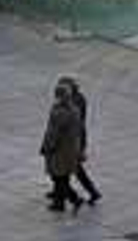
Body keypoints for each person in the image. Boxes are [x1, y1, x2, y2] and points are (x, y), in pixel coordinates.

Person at [40, 82, 85, 213]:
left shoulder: (59, 112)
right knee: (63, 177)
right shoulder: (75, 109)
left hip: (59, 150)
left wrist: (46, 147)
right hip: (70, 149)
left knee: (57, 177)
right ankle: (60, 202)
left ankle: (72, 199)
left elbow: (52, 133)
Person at [59, 77, 102, 204]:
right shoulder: (78, 98)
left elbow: (71, 122)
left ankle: (92, 191)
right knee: (66, 167)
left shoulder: (74, 102)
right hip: (77, 138)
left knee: (74, 168)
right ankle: (60, 191)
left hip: (74, 140)